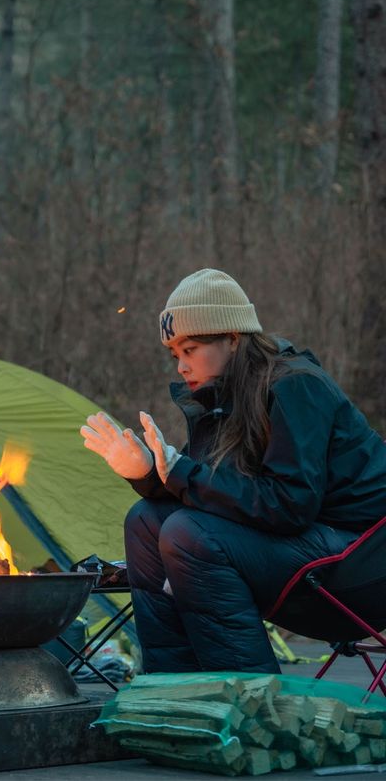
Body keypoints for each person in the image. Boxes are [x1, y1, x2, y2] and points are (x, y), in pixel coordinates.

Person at [80, 268, 386, 674]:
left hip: (359, 566)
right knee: (146, 521)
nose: (181, 367)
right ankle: (175, 695)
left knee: (189, 534)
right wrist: (149, 475)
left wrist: (180, 473)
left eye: (190, 350)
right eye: (175, 355)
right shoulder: (221, 398)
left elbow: (289, 505)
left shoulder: (297, 387)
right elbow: (214, 493)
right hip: (304, 553)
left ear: (233, 338)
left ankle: (250, 703)